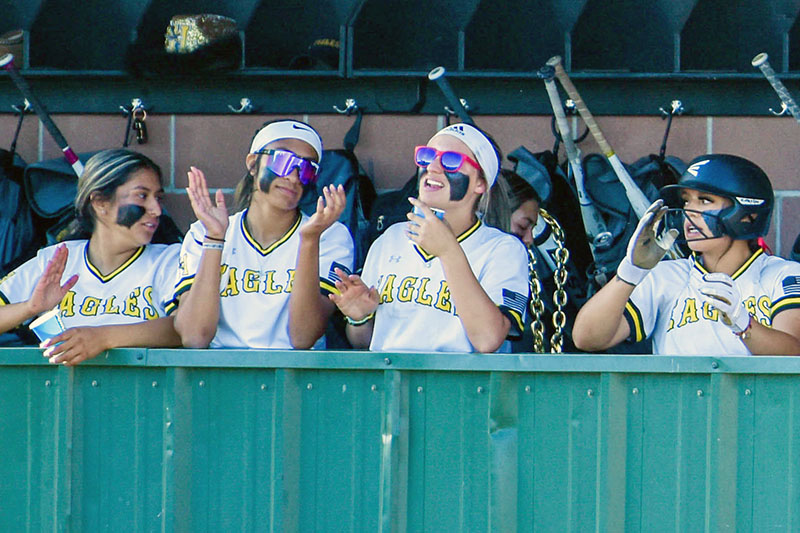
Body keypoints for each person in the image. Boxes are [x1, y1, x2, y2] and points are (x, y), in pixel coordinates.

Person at [330, 123, 530, 353]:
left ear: (480, 183)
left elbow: (488, 340)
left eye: (451, 161)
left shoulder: (502, 249)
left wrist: (448, 251)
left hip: (459, 385)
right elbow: (364, 342)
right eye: (426, 156)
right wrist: (359, 317)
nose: (432, 168)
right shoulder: (391, 238)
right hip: (390, 382)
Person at [573, 154, 800, 355]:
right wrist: (629, 274)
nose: (689, 212)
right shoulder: (665, 275)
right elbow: (587, 338)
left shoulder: (782, 274)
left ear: (747, 215)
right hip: (681, 403)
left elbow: (794, 352)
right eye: (686, 201)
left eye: (704, 200)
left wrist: (743, 324)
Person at [172, 119, 354, 349]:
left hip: (296, 377)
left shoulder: (329, 234)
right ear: (252, 163)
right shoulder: (204, 232)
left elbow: (303, 338)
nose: (294, 176)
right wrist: (215, 239)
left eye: (307, 169)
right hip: (219, 375)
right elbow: (194, 337)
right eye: (283, 161)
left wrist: (309, 241)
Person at [0, 149, 182, 364]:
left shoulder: (171, 259)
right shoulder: (57, 258)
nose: (157, 210)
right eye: (142, 196)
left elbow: (186, 328)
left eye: (158, 198)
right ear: (99, 202)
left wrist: (102, 338)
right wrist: (29, 307)